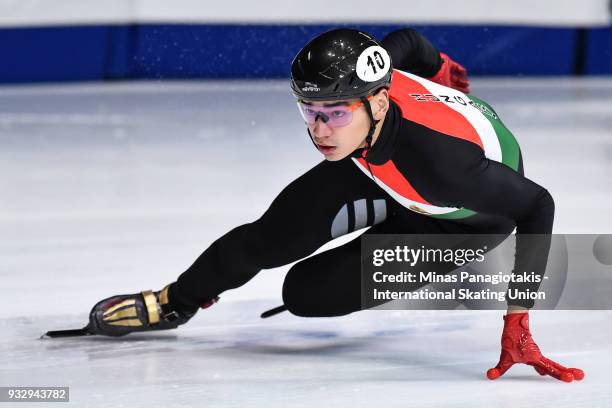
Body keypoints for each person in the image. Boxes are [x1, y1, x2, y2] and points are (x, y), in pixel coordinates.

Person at [86, 28, 583, 382]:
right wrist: (443, 70)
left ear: (378, 103)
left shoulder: (442, 166)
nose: (320, 131)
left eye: (335, 113)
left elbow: (537, 205)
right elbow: (407, 40)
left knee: (306, 294)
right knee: (268, 239)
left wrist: (517, 321)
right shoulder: (365, 104)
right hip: (377, 164)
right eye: (310, 111)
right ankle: (175, 303)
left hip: (461, 223)